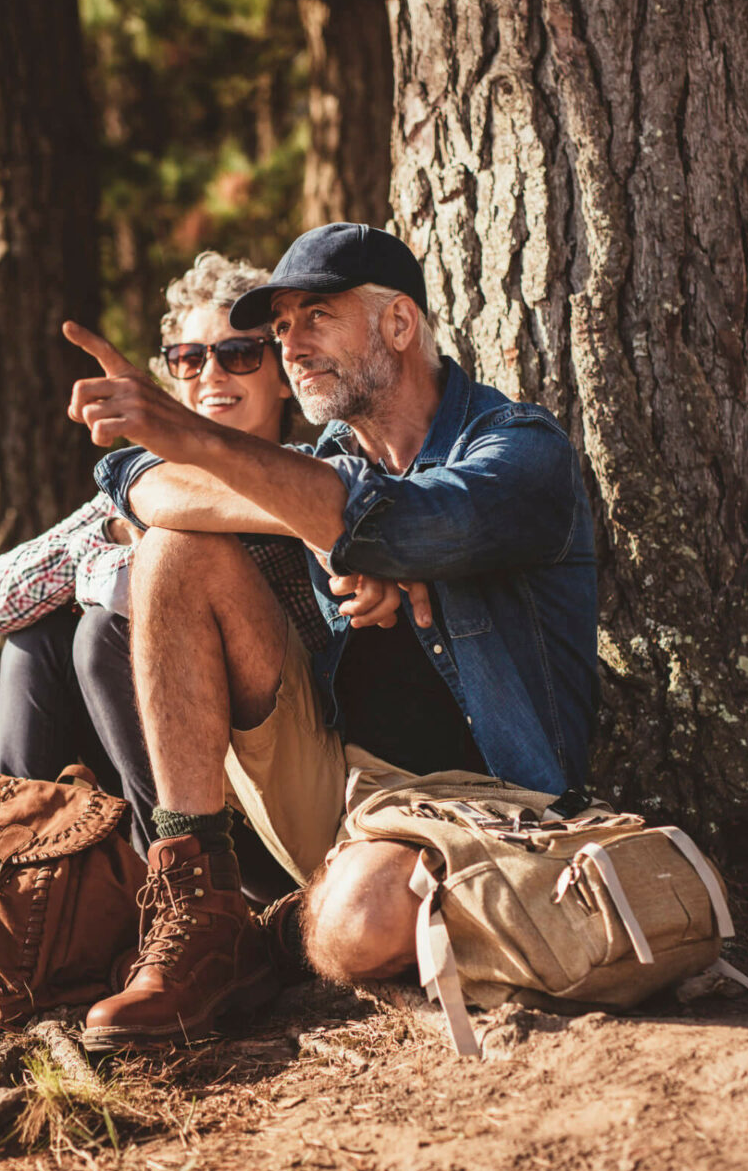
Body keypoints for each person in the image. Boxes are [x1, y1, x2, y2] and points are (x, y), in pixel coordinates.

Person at [62, 222, 599, 1050]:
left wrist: (351, 528)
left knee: (355, 925)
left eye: (315, 316)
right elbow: (141, 484)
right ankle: (200, 912)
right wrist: (322, 530)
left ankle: (275, 934)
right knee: (175, 554)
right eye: (280, 329)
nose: (291, 346)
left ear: (398, 324)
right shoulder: (327, 462)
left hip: (486, 805)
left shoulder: (521, 451)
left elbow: (416, 521)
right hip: (336, 785)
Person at [0, 251, 324, 900]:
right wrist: (112, 537)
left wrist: (129, 560)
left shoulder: (307, 473)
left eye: (239, 354)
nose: (211, 374)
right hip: (154, 764)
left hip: (273, 781)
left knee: (104, 634)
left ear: (281, 376)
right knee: (35, 645)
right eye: (190, 359)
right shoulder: (139, 484)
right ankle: (1, 902)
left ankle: (192, 899)